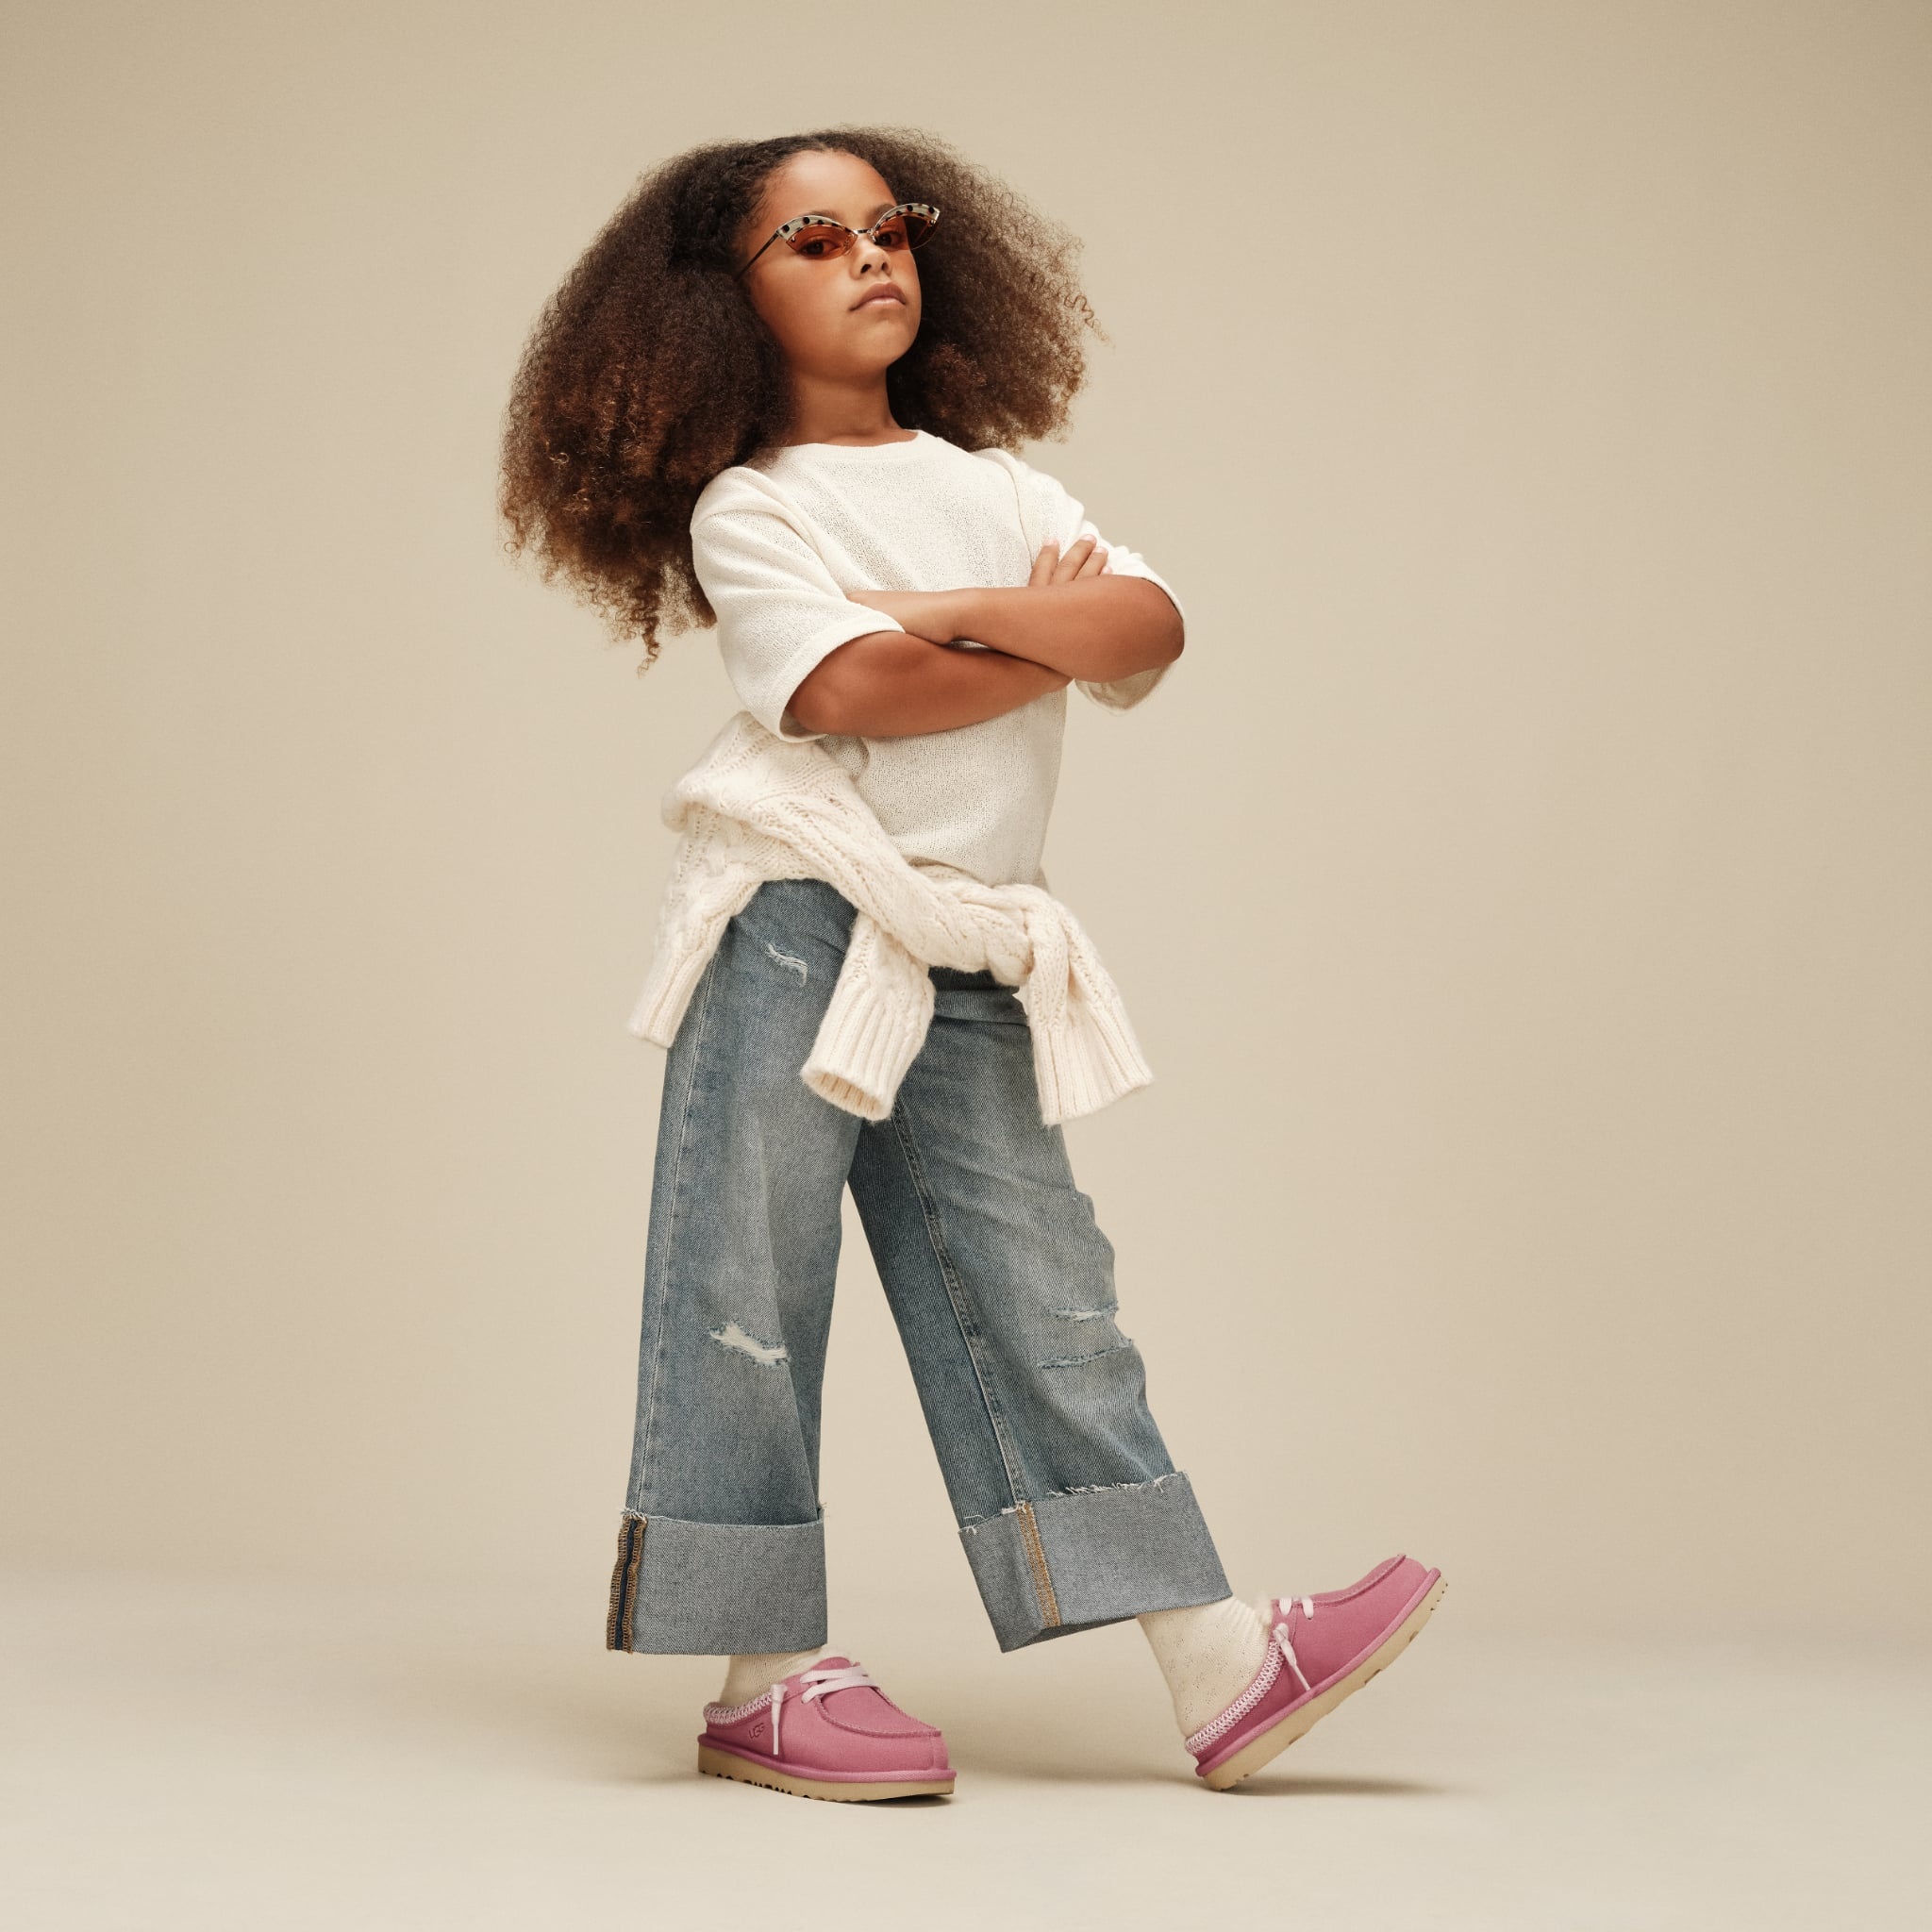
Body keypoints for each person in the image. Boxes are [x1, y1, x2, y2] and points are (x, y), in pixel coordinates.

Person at [499, 125, 1443, 1802]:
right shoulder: (753, 508)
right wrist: (1023, 622)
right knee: (748, 1286)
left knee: (1045, 1288)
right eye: (812, 240)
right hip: (800, 917)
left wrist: (932, 606)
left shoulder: (1002, 489)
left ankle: (1219, 1663)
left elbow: (1147, 627)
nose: (869, 255)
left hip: (974, 942)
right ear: (723, 302)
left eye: (888, 225)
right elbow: (851, 693)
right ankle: (761, 1677)